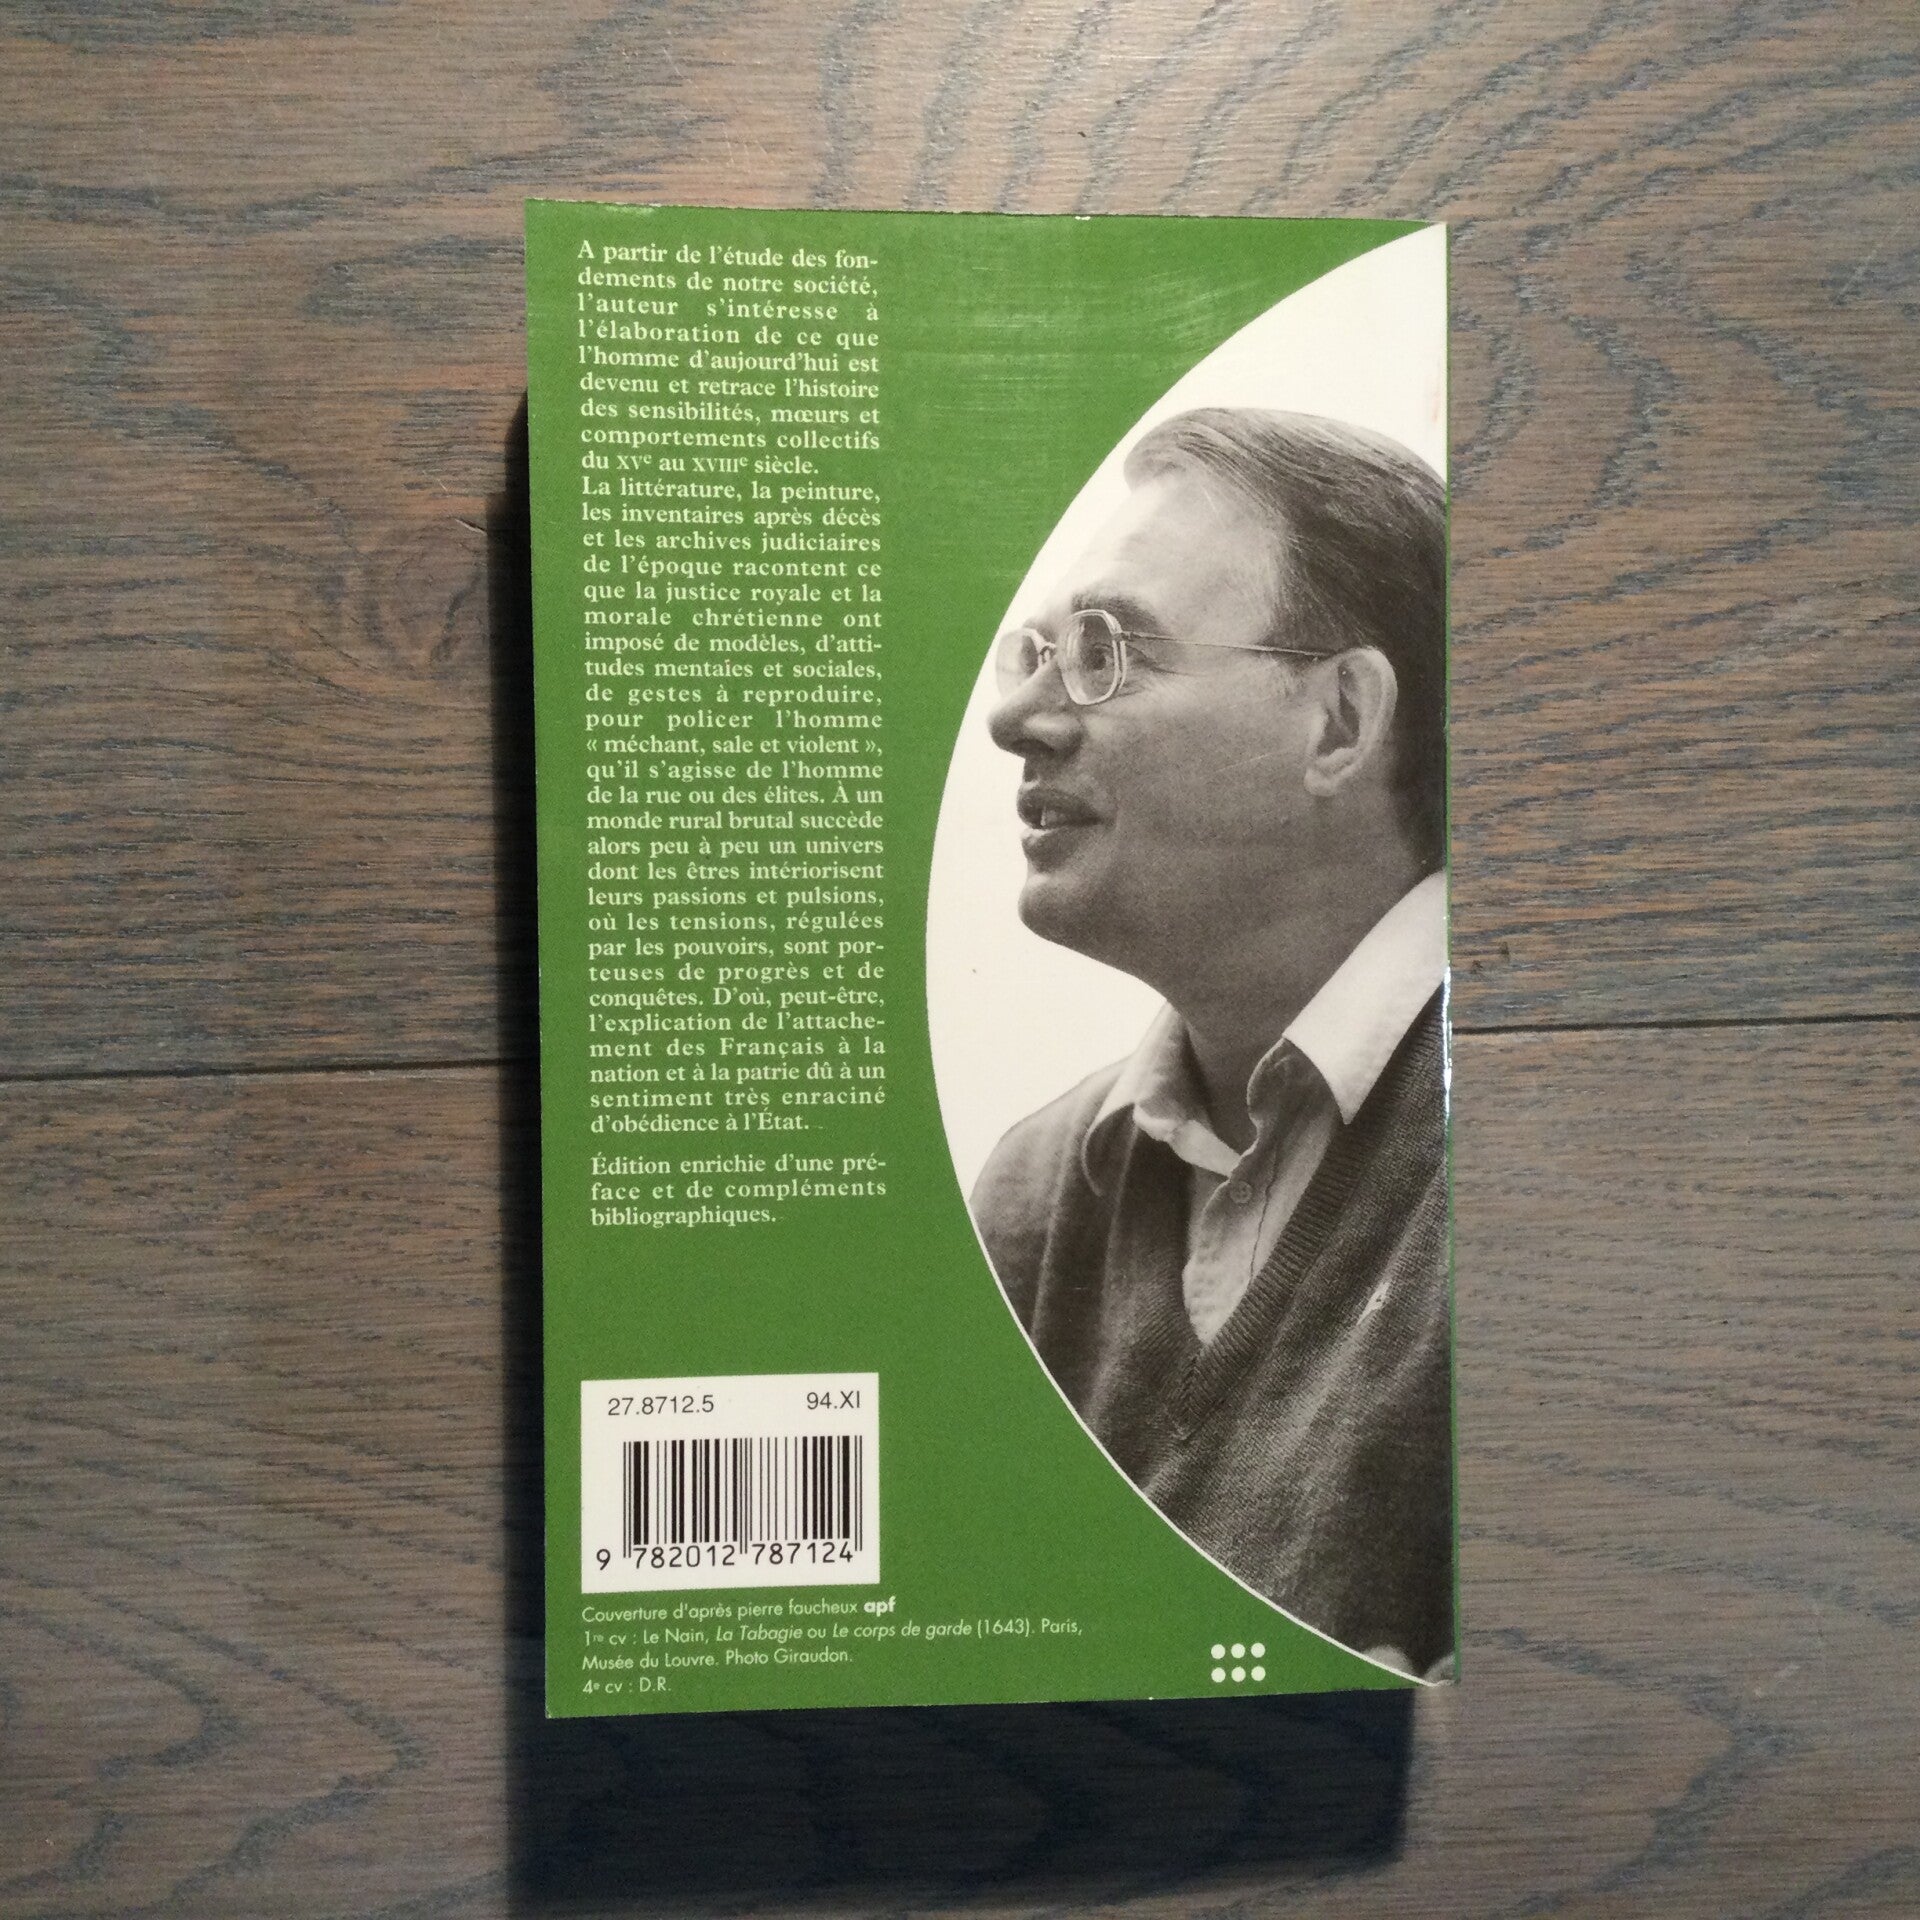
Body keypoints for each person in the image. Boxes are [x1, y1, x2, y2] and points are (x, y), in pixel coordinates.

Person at [970, 406, 1452, 1678]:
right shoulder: (1031, 1195)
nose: (1017, 717)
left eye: (1105, 651)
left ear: (1341, 721)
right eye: (1035, 653)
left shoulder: (1560, 1138)